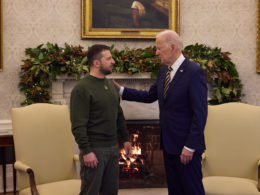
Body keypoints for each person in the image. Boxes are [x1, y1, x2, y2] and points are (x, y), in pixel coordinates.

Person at [113, 30, 208, 195]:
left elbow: (200, 114)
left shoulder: (194, 73)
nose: (156, 52)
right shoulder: (164, 71)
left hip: (187, 147)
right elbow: (150, 96)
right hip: (169, 144)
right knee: (175, 190)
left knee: (192, 190)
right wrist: (122, 91)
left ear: (172, 47)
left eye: (159, 48)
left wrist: (190, 146)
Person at [70, 44, 132, 195]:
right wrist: (86, 151)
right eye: (109, 58)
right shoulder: (82, 89)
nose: (113, 61)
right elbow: (78, 125)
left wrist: (125, 139)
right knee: (90, 192)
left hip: (112, 148)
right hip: (94, 150)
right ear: (96, 63)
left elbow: (119, 115)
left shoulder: (111, 86)